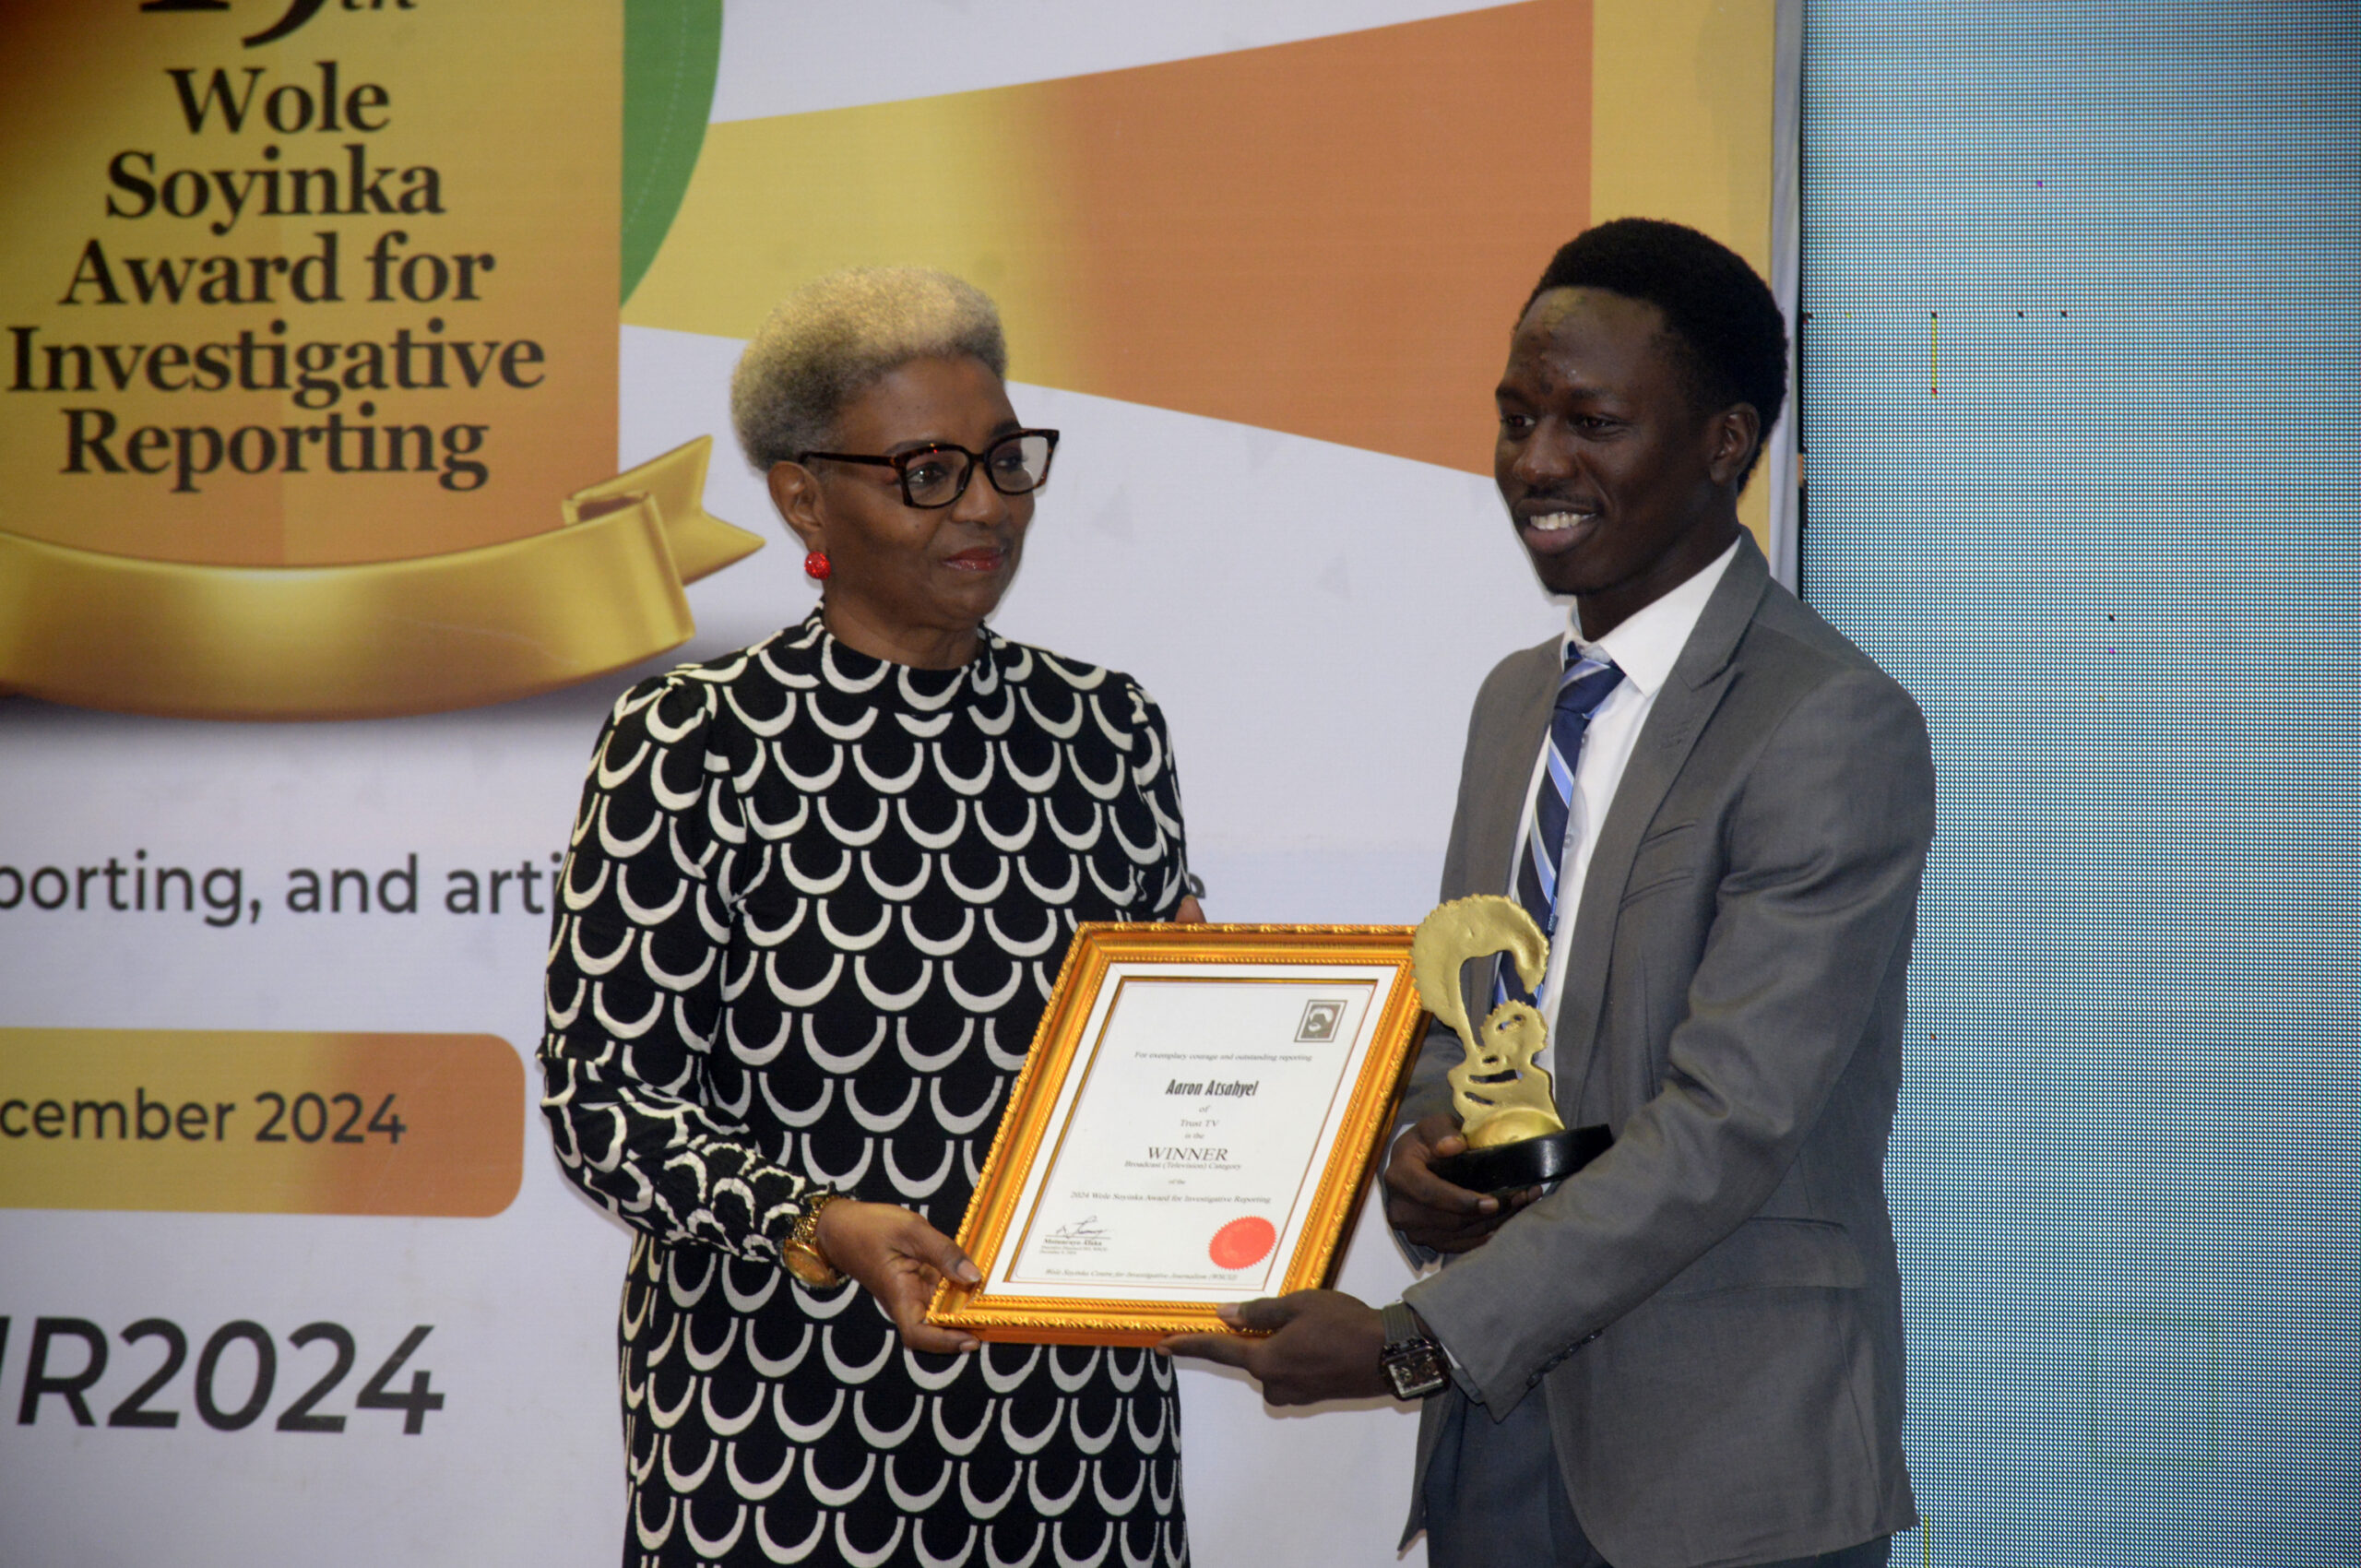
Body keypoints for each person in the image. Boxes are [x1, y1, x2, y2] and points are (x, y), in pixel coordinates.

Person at [1168, 220, 1934, 1568]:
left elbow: (1732, 1125)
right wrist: (1420, 1159)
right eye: (1517, 417)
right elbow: (1473, 1003)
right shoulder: (1518, 699)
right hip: (1499, 1432)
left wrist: (1413, 1342)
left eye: (1591, 422)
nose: (1535, 465)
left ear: (1723, 441)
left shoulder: (1829, 722)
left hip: (1722, 1466)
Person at [541, 267, 1204, 1568]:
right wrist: (819, 1222)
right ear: (803, 494)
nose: (988, 507)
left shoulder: (1107, 729)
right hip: (784, 1437)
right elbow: (604, 1103)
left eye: (1010, 459)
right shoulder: (691, 739)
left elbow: (1159, 1074)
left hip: (1077, 1450)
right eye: (929, 471)